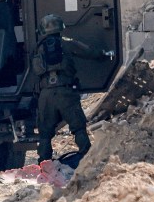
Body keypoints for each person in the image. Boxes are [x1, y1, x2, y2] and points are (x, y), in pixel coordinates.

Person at [32, 14, 112, 163]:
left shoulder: (38, 48)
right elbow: (88, 52)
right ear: (60, 28)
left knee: (45, 134)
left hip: (45, 95)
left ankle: (44, 165)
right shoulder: (66, 43)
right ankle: (87, 160)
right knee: (78, 128)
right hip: (65, 92)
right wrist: (105, 54)